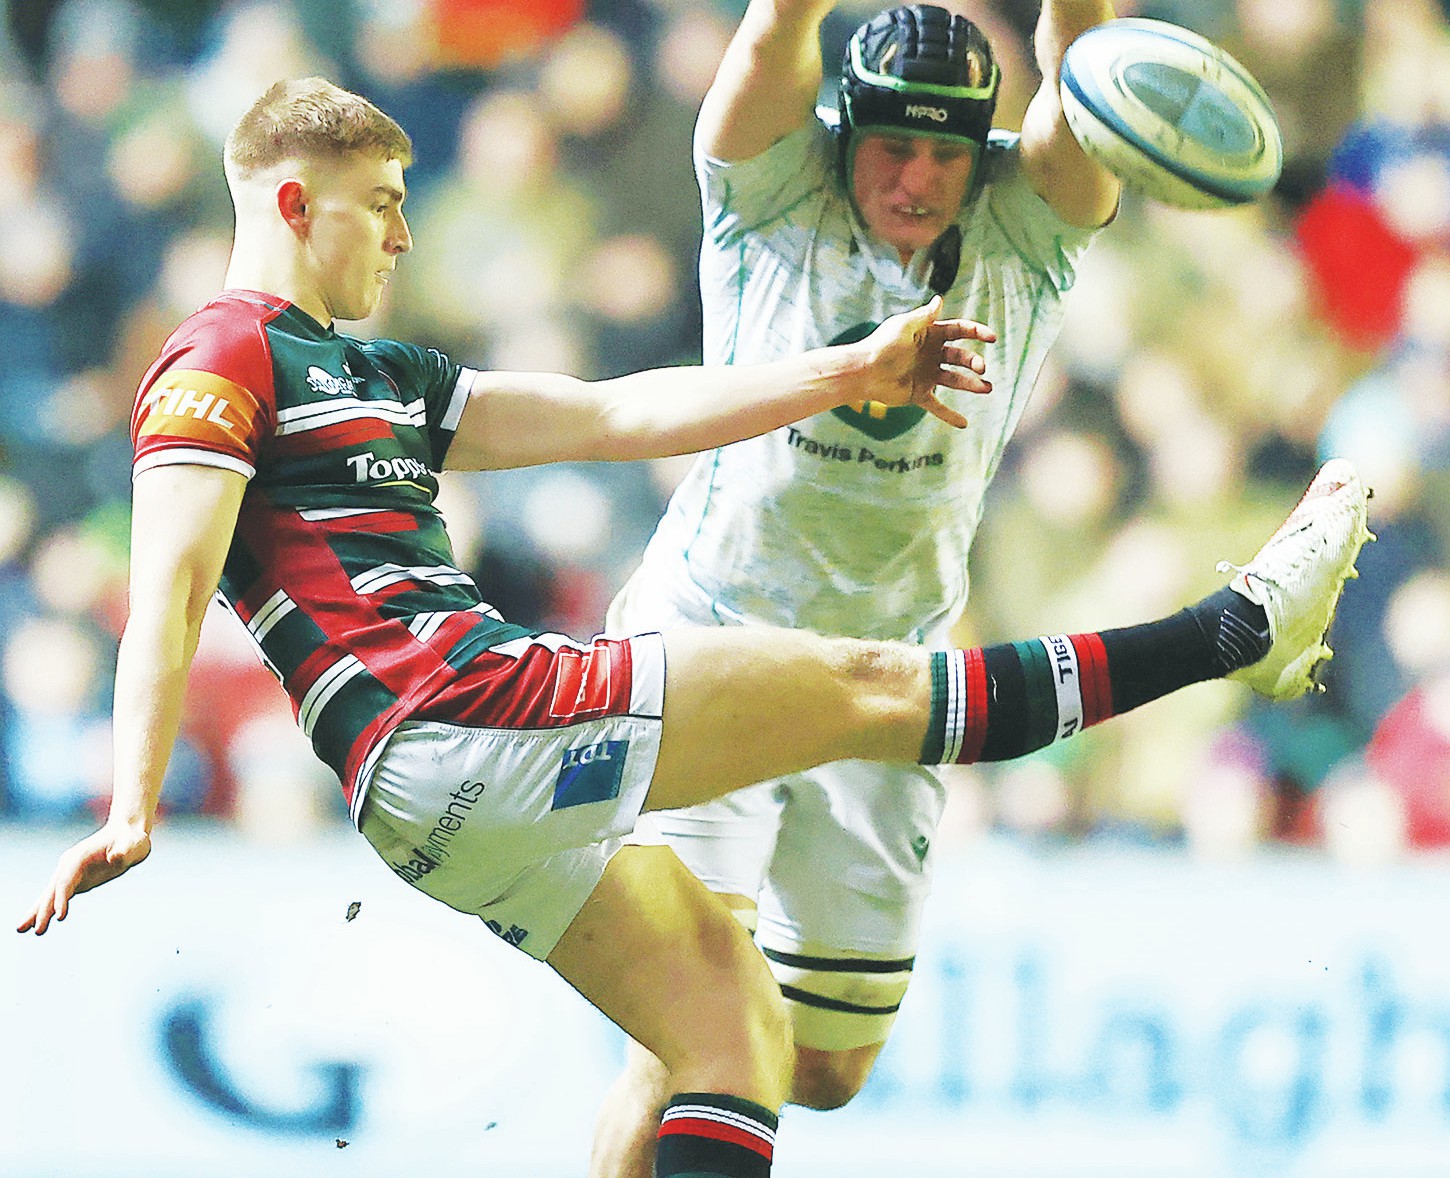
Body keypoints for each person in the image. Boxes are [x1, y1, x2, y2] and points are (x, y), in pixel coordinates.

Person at [16, 78, 1370, 1178]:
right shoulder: (221, 355)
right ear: (291, 204)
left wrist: (841, 370)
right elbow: (173, 585)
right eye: (381, 206)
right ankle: (1236, 629)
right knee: (871, 686)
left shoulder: (380, 372)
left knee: (731, 1033)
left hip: (429, 797)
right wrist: (133, 801)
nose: (403, 237)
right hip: (470, 709)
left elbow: (615, 414)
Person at [586, 2, 1325, 1173]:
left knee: (824, 1068)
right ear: (843, 130)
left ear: (983, 149)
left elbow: (1080, 71)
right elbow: (773, 36)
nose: (917, 177)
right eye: (892, 145)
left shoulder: (1023, 223)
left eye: (945, 151)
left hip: (888, 681)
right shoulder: (773, 186)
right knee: (691, 1030)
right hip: (709, 638)